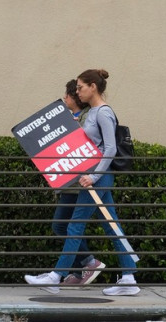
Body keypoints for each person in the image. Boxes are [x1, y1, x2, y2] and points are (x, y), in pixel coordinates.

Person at [25, 68, 139, 296]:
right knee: (112, 226)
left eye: (80, 87)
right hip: (97, 177)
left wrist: (93, 177)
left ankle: (55, 276)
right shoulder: (94, 112)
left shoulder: (103, 112)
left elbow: (109, 149)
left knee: (75, 226)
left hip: (96, 178)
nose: (77, 92)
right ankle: (129, 278)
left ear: (93, 87)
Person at [50, 79, 105, 287]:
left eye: (68, 94)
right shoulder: (71, 118)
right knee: (67, 227)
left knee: (62, 226)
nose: (64, 98)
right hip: (68, 184)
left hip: (78, 184)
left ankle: (89, 262)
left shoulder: (86, 118)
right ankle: (78, 270)